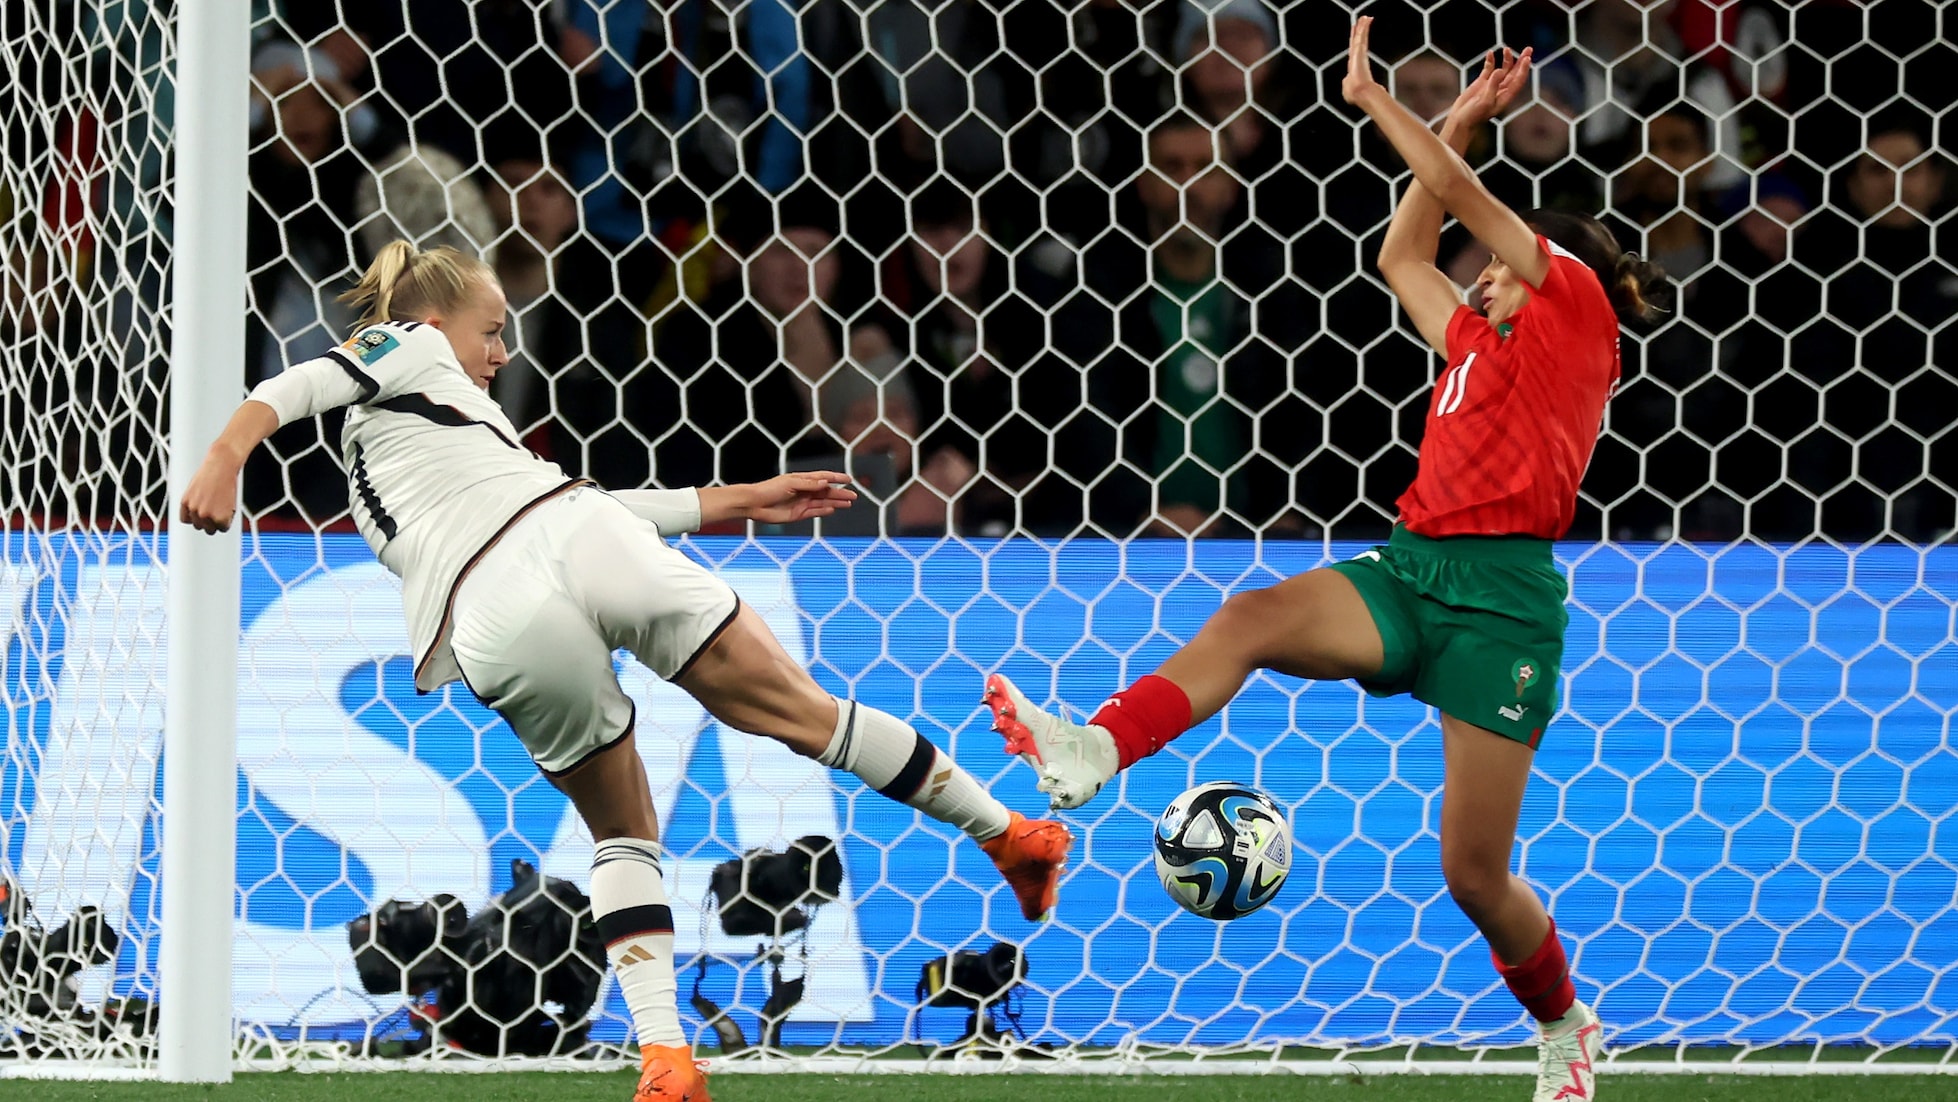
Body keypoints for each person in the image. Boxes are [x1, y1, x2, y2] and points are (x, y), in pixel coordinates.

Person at [179, 241, 1071, 1101]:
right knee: (809, 715)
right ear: (434, 323)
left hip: (495, 611)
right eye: (490, 331)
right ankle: (1006, 833)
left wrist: (739, 499)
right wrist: (223, 456)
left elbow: (569, 499)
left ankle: (666, 1060)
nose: (502, 353)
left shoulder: (410, 452)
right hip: (579, 537)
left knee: (623, 833)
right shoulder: (408, 342)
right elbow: (297, 383)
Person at [984, 25, 1668, 1102]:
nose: (1482, 276)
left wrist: (1382, 103)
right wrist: (1452, 125)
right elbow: (1402, 257)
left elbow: (1454, 193)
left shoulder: (1575, 313)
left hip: (1502, 608)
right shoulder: (1473, 342)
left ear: (1550, 269)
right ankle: (1094, 747)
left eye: (1499, 263)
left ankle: (1563, 1027)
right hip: (1410, 571)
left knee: (1471, 874)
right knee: (1250, 617)